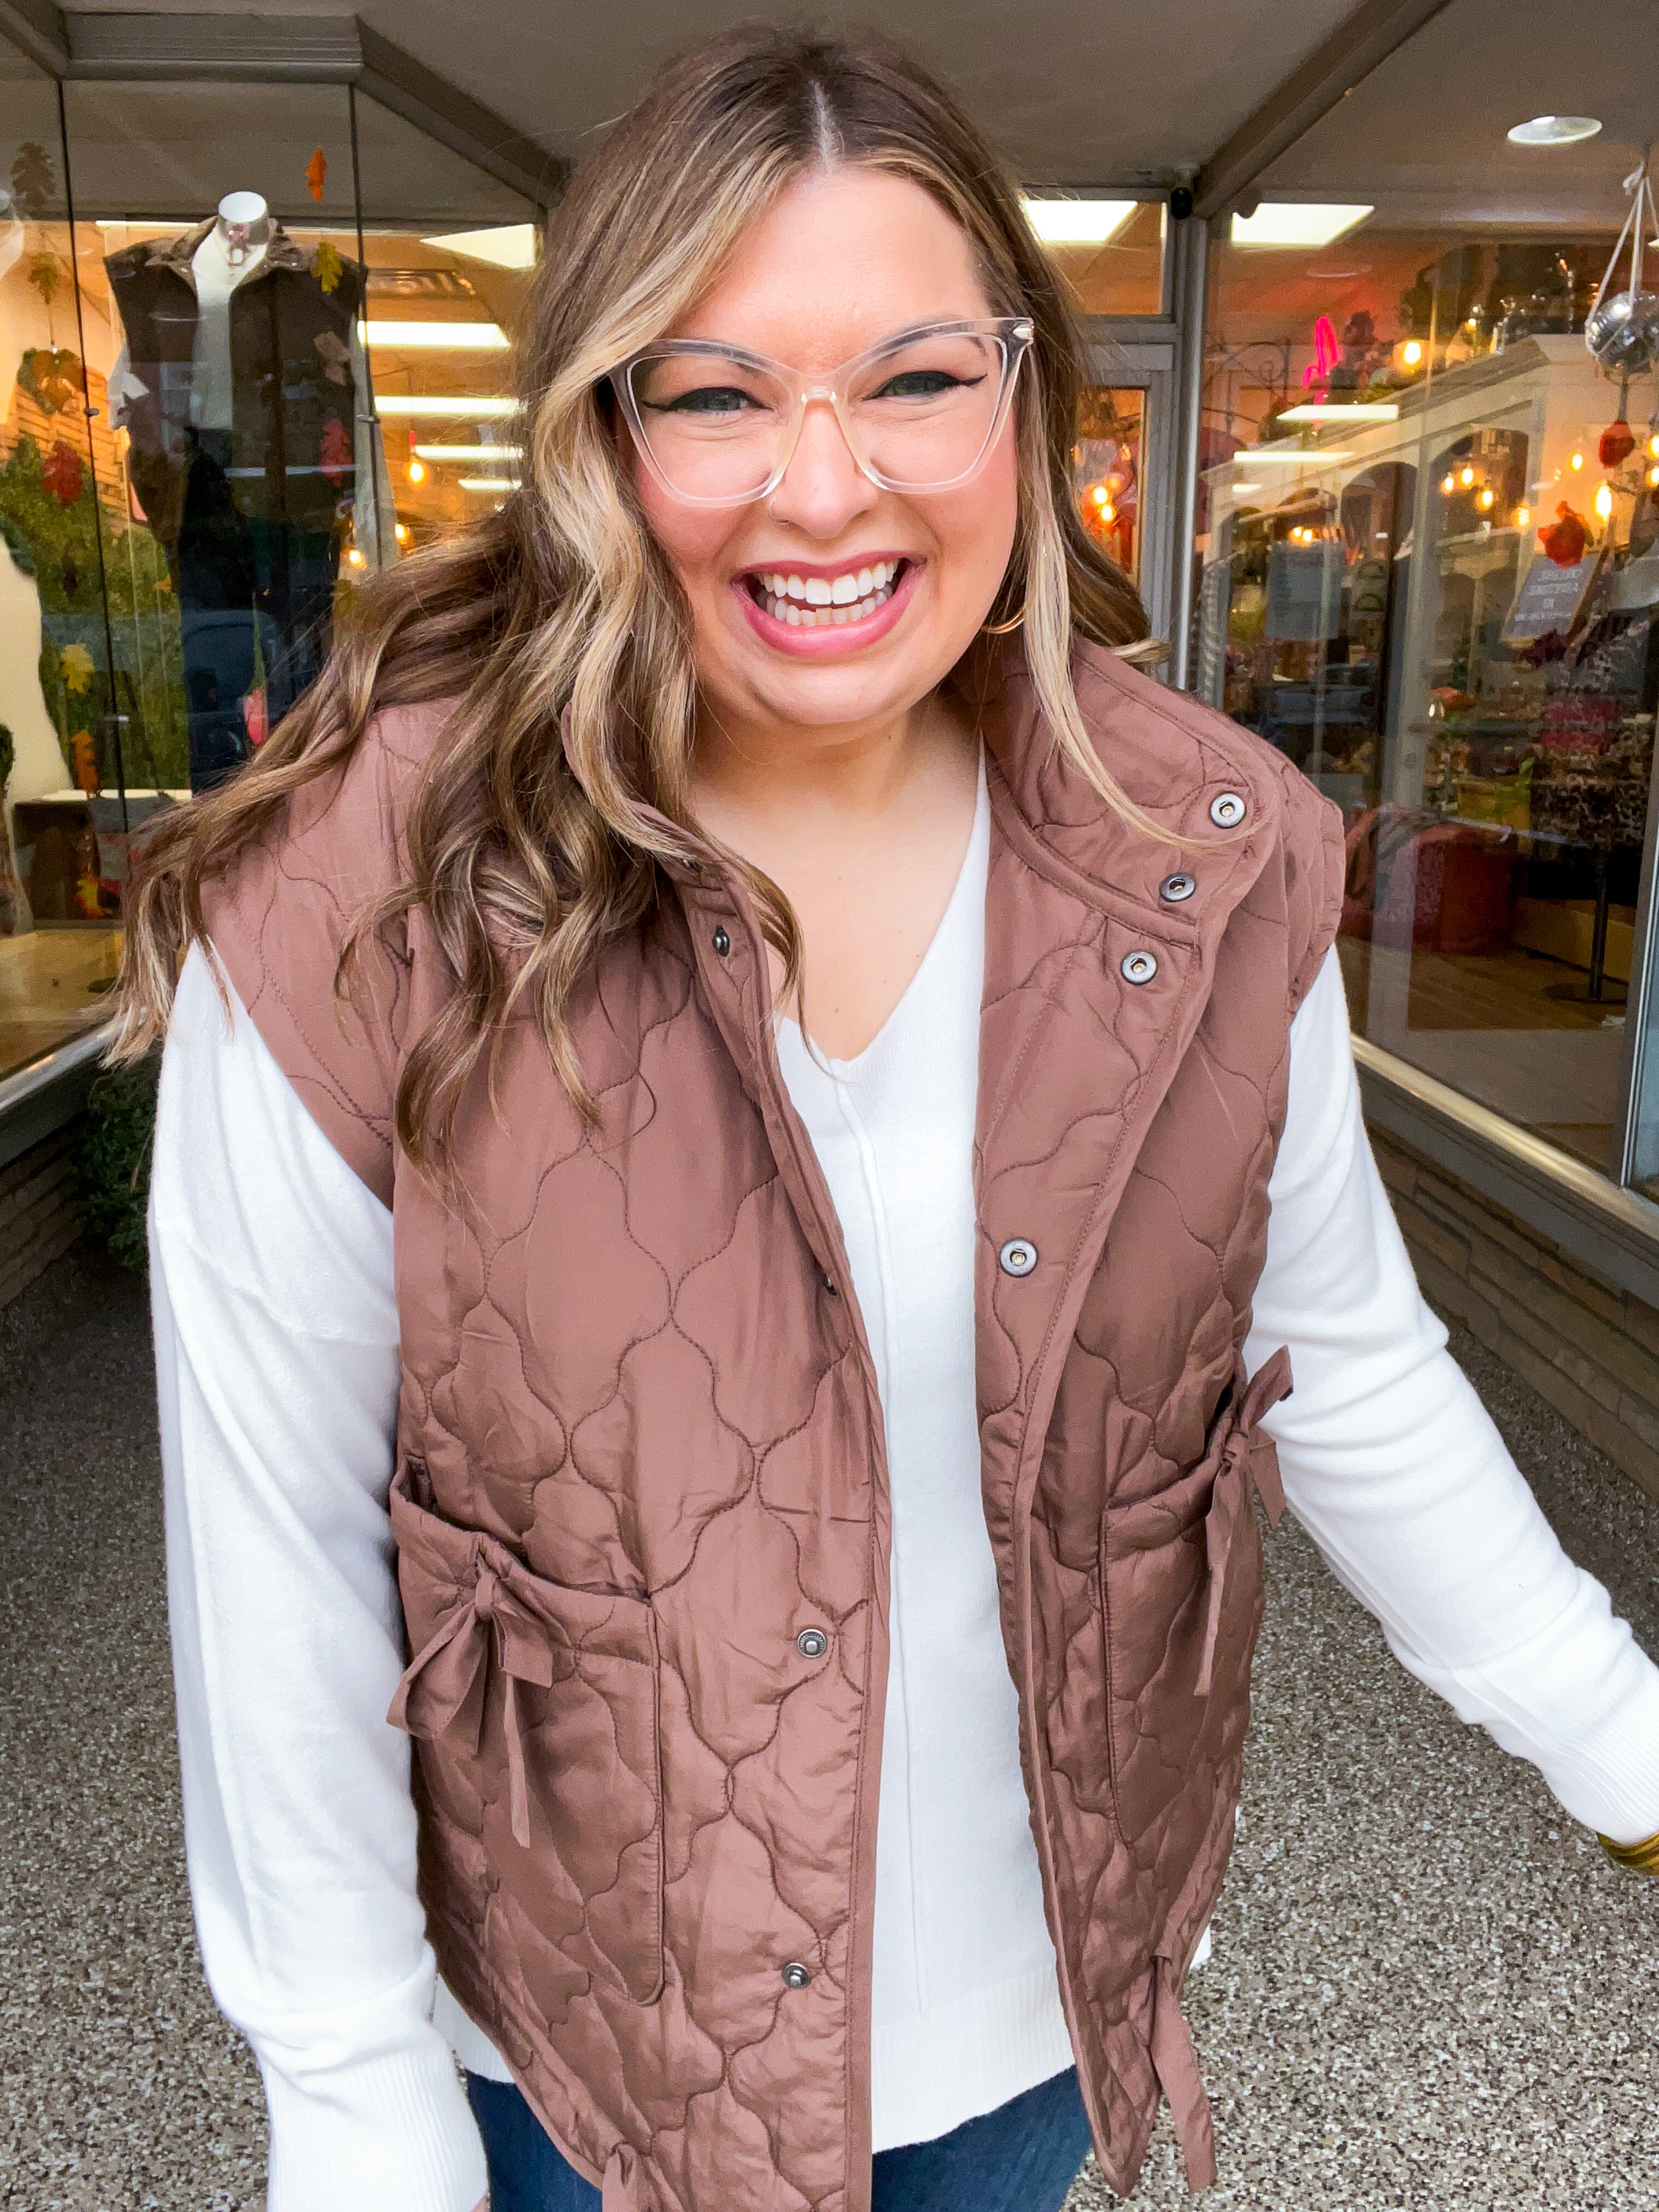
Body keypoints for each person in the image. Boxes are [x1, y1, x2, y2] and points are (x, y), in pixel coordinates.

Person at [113, 30, 1659, 2212]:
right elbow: (278, 1571)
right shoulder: (370, 903)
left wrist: (1620, 1739)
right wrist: (355, 2115)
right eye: (720, 391)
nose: (823, 487)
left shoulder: (1197, 855)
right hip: (573, 2081)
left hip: (1038, 2028)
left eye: (917, 376)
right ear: (602, 431)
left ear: (1021, 402)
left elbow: (1347, 1362)